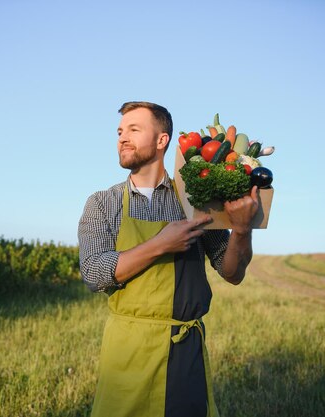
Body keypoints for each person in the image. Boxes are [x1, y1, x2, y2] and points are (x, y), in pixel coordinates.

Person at [77, 101, 259, 417]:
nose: (122, 138)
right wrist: (161, 244)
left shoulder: (196, 199)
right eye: (120, 131)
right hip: (127, 353)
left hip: (183, 351)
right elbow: (93, 273)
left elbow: (231, 272)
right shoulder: (102, 204)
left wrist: (242, 230)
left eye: (134, 130)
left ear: (162, 140)